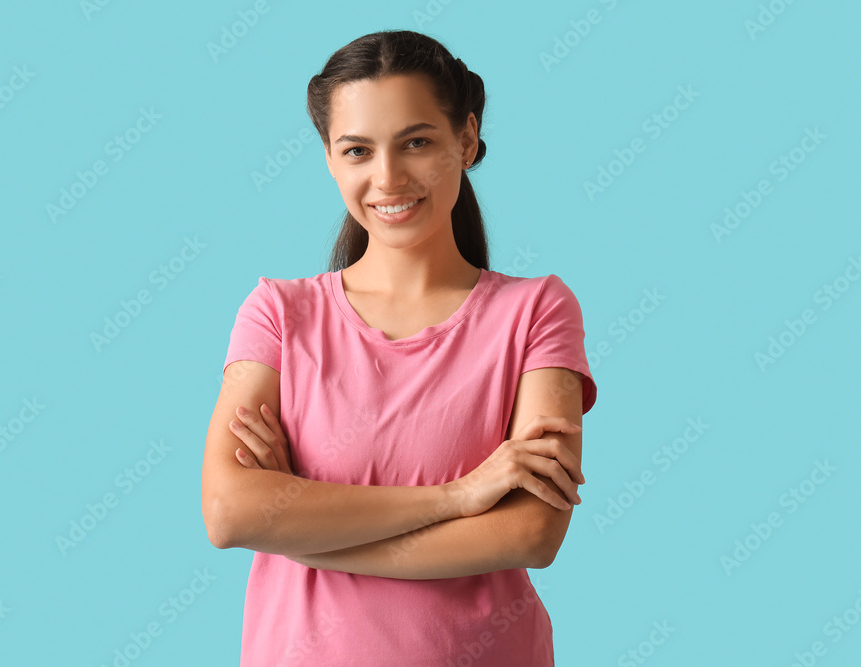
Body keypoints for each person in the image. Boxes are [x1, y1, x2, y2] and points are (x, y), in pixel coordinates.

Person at [201, 29, 598, 666]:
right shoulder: (278, 314)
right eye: (357, 150)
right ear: (330, 159)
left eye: (417, 142)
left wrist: (303, 536)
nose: (387, 178)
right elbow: (227, 512)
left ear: (466, 141)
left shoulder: (537, 311)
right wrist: (458, 497)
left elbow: (530, 531)